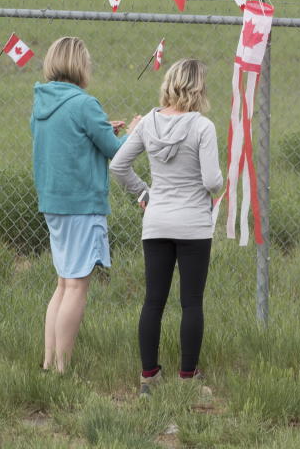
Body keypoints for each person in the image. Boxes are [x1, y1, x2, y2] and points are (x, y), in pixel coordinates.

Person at [109, 58, 223, 396]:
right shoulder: (203, 127)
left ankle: (148, 378)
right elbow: (212, 181)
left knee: (153, 301)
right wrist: (215, 184)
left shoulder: (147, 124)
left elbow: (118, 166)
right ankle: (187, 378)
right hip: (193, 226)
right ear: (198, 88)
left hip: (156, 222)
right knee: (191, 301)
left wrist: (144, 192)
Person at [31, 36, 139, 373]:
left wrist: (101, 129)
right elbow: (117, 151)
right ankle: (63, 368)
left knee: (63, 282)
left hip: (53, 203)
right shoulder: (85, 104)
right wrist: (134, 133)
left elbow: (70, 139)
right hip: (82, 205)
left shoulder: (41, 103)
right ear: (81, 66)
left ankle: (49, 363)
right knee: (77, 285)